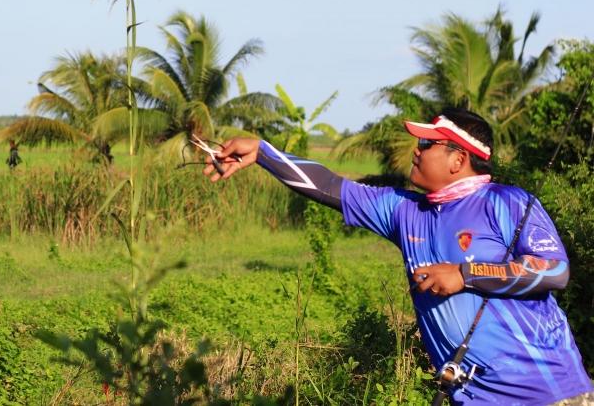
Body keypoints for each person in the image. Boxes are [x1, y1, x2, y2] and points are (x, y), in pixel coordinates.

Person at [204, 107, 592, 405]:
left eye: (427, 144)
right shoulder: (403, 210)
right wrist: (262, 153)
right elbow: (328, 186)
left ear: (458, 159)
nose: (416, 151)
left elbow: (555, 270)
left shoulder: (506, 202)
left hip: (550, 393)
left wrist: (465, 273)